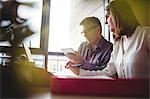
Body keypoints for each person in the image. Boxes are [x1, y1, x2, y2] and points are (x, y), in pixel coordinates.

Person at [66, 0, 150, 79]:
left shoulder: (146, 35)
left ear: (119, 15)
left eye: (107, 16)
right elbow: (108, 73)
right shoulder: (118, 44)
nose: (106, 22)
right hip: (124, 93)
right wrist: (79, 72)